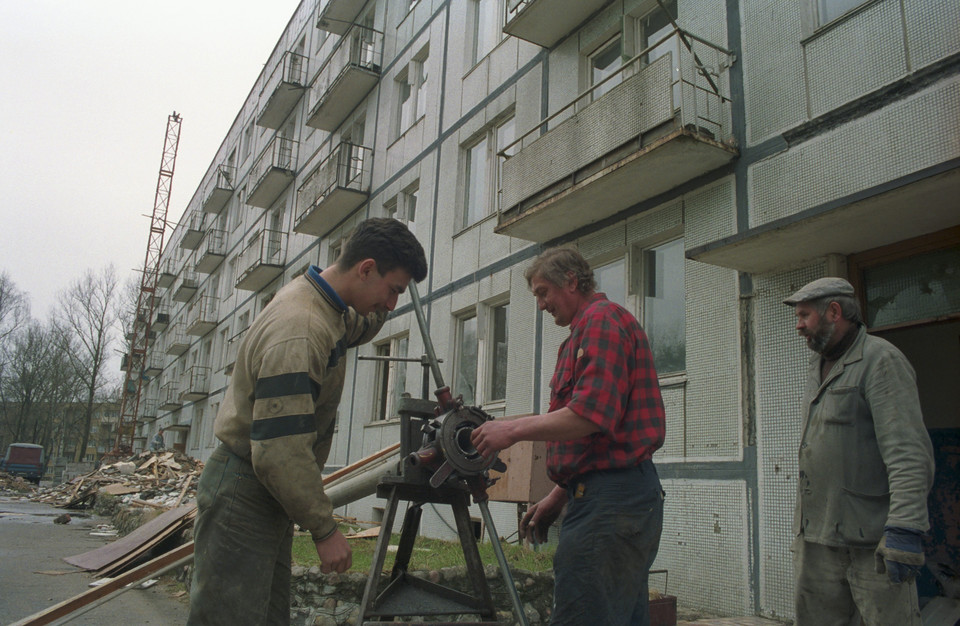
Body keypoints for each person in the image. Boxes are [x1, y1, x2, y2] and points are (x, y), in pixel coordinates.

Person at [187, 218, 427, 625]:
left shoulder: (326, 306)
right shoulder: (301, 328)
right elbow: (279, 451)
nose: (391, 305)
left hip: (265, 491)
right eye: (393, 291)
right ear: (365, 268)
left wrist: (384, 303)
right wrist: (324, 529)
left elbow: (357, 326)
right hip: (246, 490)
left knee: (266, 616)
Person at [471, 247, 666, 626]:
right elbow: (599, 437)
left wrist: (510, 429)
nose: (541, 305)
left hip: (611, 504)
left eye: (544, 293)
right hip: (616, 497)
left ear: (572, 282)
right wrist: (558, 495)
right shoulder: (585, 332)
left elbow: (590, 415)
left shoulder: (601, 322)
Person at [784, 277, 935, 626]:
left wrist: (905, 529)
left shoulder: (881, 361)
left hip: (872, 544)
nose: (799, 325)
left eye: (805, 315)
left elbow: (908, 453)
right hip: (817, 539)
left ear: (834, 312)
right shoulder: (817, 364)